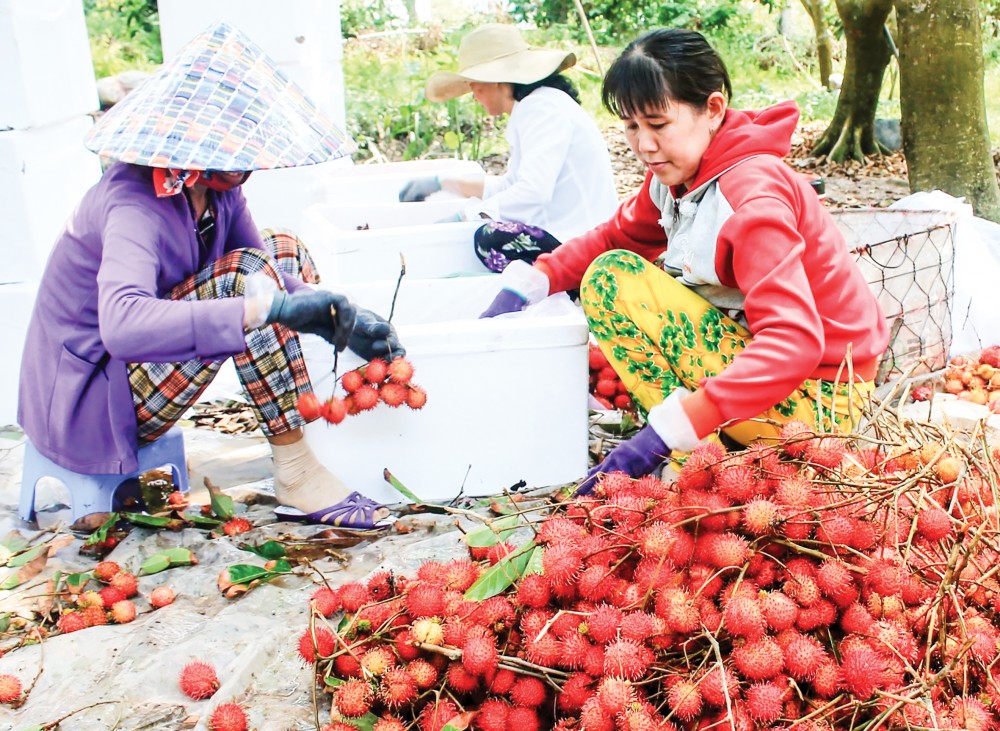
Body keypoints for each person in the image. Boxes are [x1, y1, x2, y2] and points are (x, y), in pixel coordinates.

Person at [18, 22, 401, 529]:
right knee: (246, 282)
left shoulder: (217, 188)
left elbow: (266, 264)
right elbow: (122, 325)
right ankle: (296, 470)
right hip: (93, 395)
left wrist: (337, 313)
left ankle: (305, 429)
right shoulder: (132, 203)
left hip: (137, 371)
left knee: (282, 248)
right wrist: (266, 307)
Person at [480, 28, 889, 489]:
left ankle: (693, 451)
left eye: (658, 125)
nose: (644, 145)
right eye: (631, 126)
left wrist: (676, 425)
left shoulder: (752, 199)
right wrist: (537, 279)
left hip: (818, 404)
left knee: (613, 280)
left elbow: (794, 340)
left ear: (712, 109)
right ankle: (703, 447)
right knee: (615, 269)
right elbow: (618, 235)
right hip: (769, 378)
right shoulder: (677, 177)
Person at [398, 23, 619, 273]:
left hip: (581, 243)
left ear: (496, 81)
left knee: (488, 238)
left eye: (474, 84)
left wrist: (470, 215)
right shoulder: (539, 104)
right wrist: (444, 183)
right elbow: (511, 186)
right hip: (578, 236)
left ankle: (558, 283)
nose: (473, 95)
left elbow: (533, 192)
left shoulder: (540, 109)